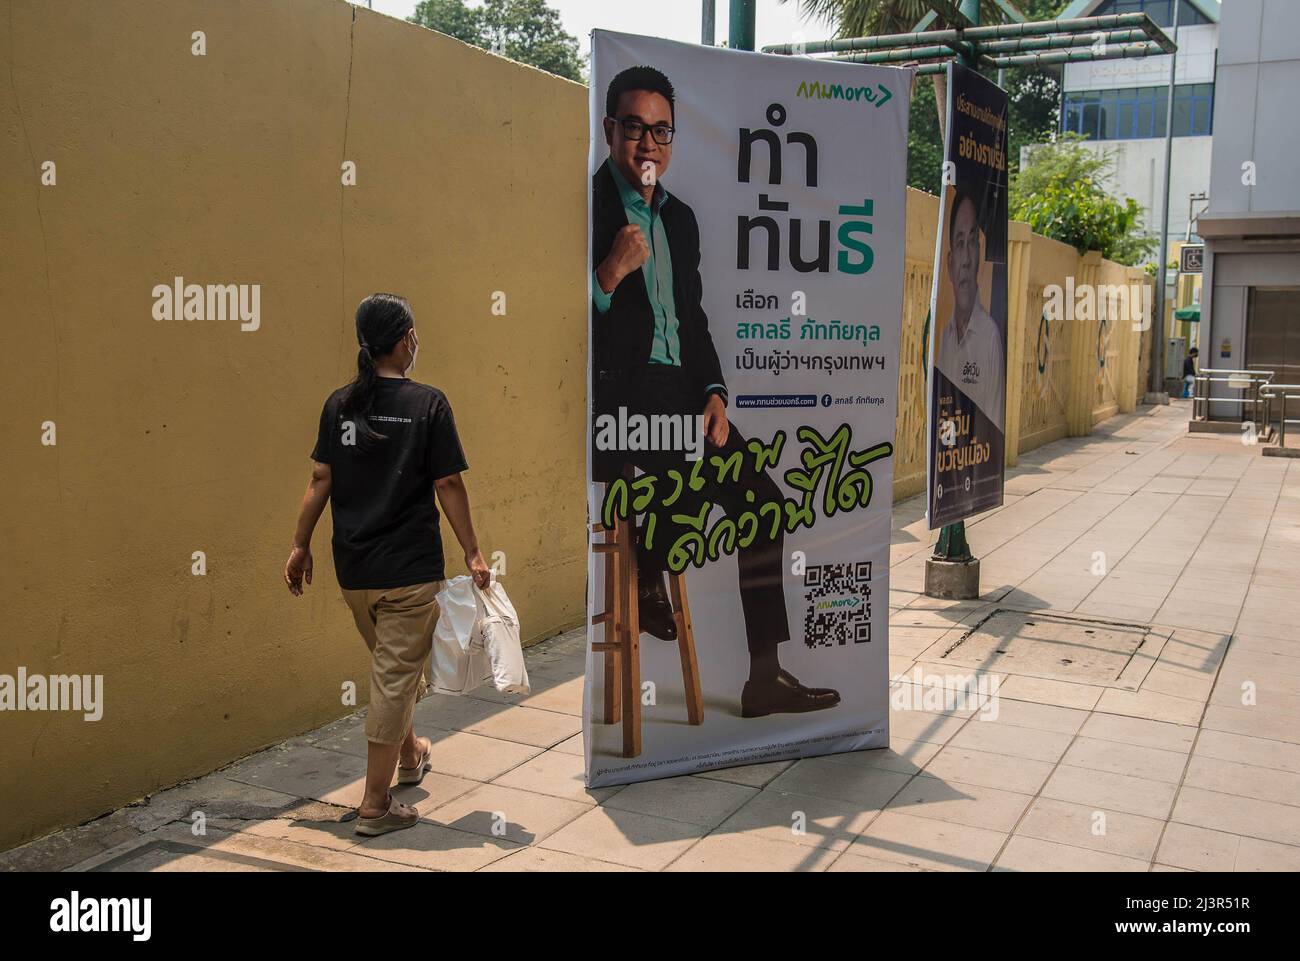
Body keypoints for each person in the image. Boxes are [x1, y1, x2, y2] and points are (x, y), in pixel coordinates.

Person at [591, 65, 839, 718]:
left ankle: (763, 675)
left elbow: (694, 319)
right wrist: (608, 274)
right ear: (610, 127)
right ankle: (646, 574)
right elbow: (562, 321)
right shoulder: (587, 205)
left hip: (680, 392)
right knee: (694, 463)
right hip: (618, 397)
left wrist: (714, 392)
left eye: (661, 130)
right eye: (635, 128)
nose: (648, 144)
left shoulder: (683, 221)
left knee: (763, 500)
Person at [283, 293, 490, 836]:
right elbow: (448, 483)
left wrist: (299, 545)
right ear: (404, 341)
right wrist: (472, 549)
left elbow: (319, 480)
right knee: (394, 680)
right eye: (413, 334)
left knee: (391, 673)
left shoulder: (339, 405)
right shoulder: (428, 405)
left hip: (355, 573)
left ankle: (411, 754)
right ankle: (375, 805)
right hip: (408, 572)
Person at [936, 191, 1005, 431]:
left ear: (978, 254)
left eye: (972, 242)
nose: (965, 259)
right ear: (949, 263)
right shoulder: (945, 336)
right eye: (959, 242)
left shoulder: (989, 336)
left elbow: (994, 423)